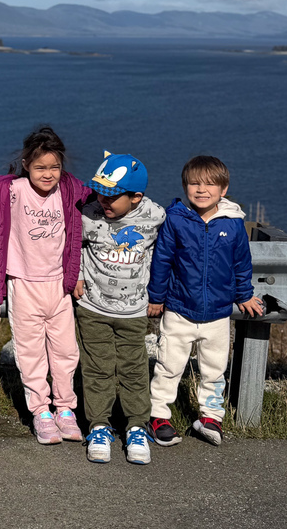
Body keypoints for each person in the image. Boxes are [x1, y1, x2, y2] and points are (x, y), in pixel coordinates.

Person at [0, 126, 89, 445]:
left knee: (66, 352)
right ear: (26, 164)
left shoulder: (69, 189)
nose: (48, 174)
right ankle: (41, 412)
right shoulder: (12, 190)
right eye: (40, 167)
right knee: (30, 355)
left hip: (59, 284)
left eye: (54, 166)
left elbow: (98, 201)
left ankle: (66, 410)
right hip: (22, 282)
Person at [147, 155, 263, 447]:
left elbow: (241, 263)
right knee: (168, 366)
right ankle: (158, 416)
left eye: (210, 184)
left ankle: (210, 417)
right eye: (194, 183)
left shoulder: (234, 224)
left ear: (223, 190)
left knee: (214, 369)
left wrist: (244, 294)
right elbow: (162, 260)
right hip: (178, 311)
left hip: (217, 315)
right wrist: (157, 298)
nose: (201, 189)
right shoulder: (175, 219)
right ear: (184, 186)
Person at [75, 152, 165, 465]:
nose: (104, 202)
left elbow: (165, 255)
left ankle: (136, 427)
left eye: (113, 197)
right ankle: (99, 426)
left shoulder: (155, 217)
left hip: (135, 311)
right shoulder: (88, 215)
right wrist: (77, 276)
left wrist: (159, 293)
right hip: (93, 308)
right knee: (97, 369)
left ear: (137, 197)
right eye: (101, 193)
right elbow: (72, 247)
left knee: (134, 370)